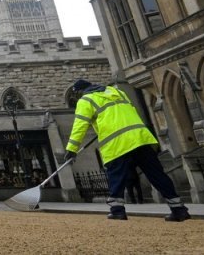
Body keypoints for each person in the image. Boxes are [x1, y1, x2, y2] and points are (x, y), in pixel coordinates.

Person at [64, 78, 189, 222]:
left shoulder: (86, 100)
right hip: (140, 137)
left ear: (80, 92)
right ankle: (178, 209)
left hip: (117, 143)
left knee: (116, 177)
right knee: (157, 174)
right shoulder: (117, 91)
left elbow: (79, 126)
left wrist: (71, 149)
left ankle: (117, 211)